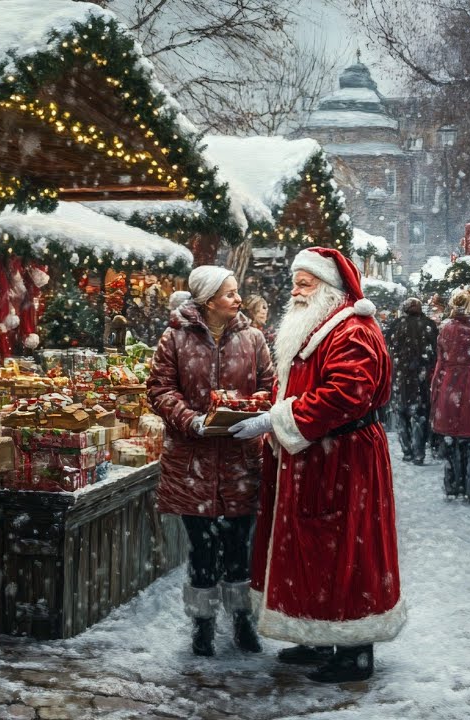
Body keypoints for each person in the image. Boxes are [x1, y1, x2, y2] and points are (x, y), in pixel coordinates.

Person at [232, 247, 403, 683]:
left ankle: (353, 651)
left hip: (344, 459)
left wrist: (279, 418)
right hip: (316, 456)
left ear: (329, 287)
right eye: (296, 282)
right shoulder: (320, 325)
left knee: (347, 550)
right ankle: (314, 632)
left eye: (304, 283)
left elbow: (347, 394)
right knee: (313, 549)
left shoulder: (354, 331)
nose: (295, 291)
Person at [146, 266, 274, 657]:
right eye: (230, 293)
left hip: (240, 461)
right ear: (207, 300)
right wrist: (192, 420)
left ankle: (242, 622)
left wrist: (254, 414)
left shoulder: (253, 339)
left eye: (237, 293)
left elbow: (270, 385)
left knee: (240, 547)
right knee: (201, 548)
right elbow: (160, 389)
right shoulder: (174, 338)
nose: (238, 299)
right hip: (193, 463)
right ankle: (202, 625)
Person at [430, 289, 470, 502]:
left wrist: (436, 387)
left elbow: (440, 360)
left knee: (451, 439)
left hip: (449, 383)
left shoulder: (445, 330)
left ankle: (452, 484)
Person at [386, 297, 437, 464]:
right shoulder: (429, 325)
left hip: (401, 377)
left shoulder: (396, 325)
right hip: (420, 377)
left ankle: (407, 450)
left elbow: (389, 347)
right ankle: (418, 453)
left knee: (401, 414)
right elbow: (435, 352)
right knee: (419, 415)